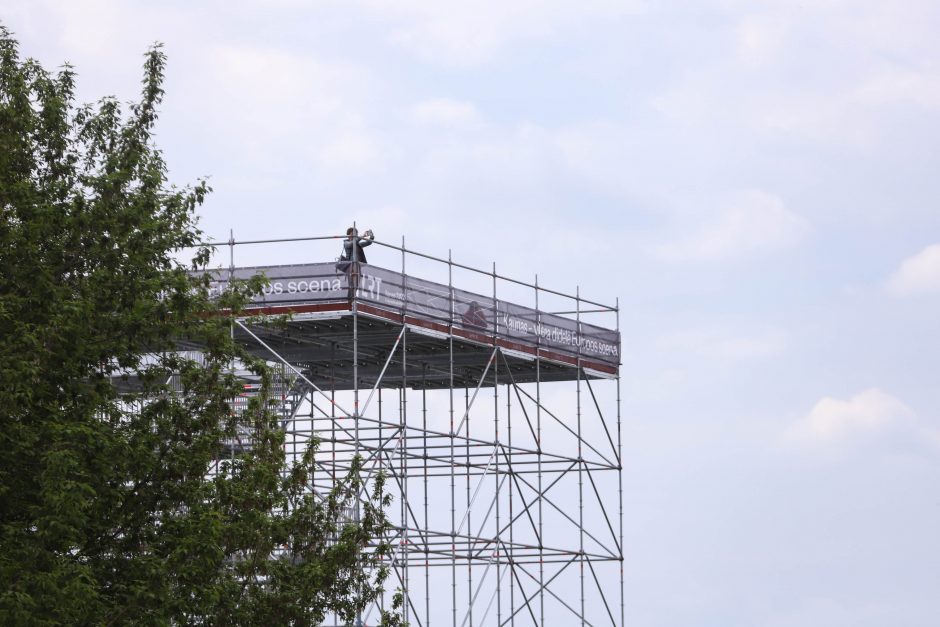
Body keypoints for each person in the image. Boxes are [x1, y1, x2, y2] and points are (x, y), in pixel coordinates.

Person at [337, 226, 374, 300]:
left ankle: (352, 299)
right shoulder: (346, 243)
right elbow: (351, 244)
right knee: (351, 284)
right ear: (349, 235)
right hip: (350, 266)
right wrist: (363, 236)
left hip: (357, 266)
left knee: (356, 284)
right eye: (354, 234)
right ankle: (349, 300)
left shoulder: (357, 244)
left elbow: (369, 242)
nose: (355, 235)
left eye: (356, 234)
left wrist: (371, 236)